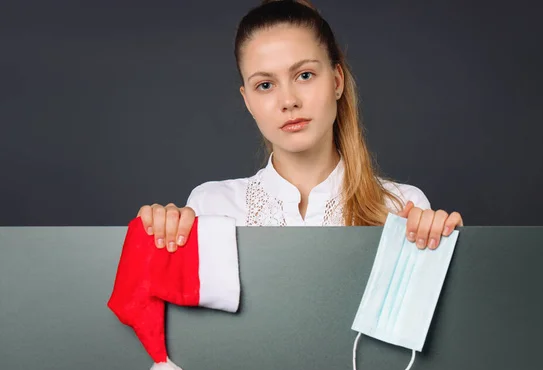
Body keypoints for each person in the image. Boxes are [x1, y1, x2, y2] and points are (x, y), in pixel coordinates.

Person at [137, 0, 463, 253]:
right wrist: (158, 238)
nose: (288, 100)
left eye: (304, 75)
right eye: (265, 85)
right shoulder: (210, 207)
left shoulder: (400, 207)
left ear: (337, 81)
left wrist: (435, 252)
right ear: (248, 100)